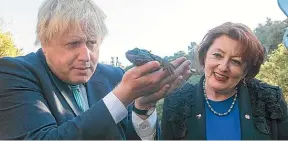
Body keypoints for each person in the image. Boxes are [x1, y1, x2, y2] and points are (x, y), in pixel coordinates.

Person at [0, 0, 192, 139]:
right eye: (73, 43)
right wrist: (121, 97)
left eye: (92, 43)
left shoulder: (115, 76)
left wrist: (144, 107)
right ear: (45, 43)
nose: (86, 56)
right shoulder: (13, 73)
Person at [161, 22, 288, 140]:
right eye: (217, 55)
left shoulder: (271, 99)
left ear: (245, 71)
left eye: (235, 61)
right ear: (204, 57)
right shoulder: (176, 101)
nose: (223, 67)